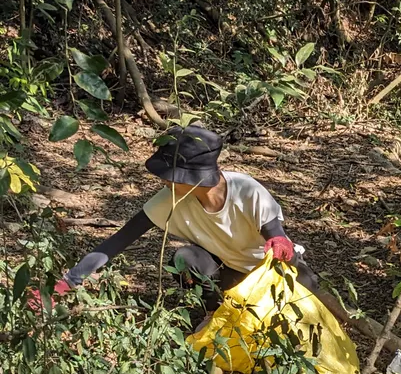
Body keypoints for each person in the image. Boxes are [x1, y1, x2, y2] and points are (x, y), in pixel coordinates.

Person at [35, 124, 317, 305]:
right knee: (185, 259)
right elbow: (118, 242)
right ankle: (214, 311)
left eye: (170, 176)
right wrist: (69, 281)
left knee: (305, 298)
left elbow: (276, 236)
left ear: (192, 176)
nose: (164, 182)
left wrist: (280, 245)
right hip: (231, 274)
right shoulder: (170, 200)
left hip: (275, 273)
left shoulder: (247, 191)